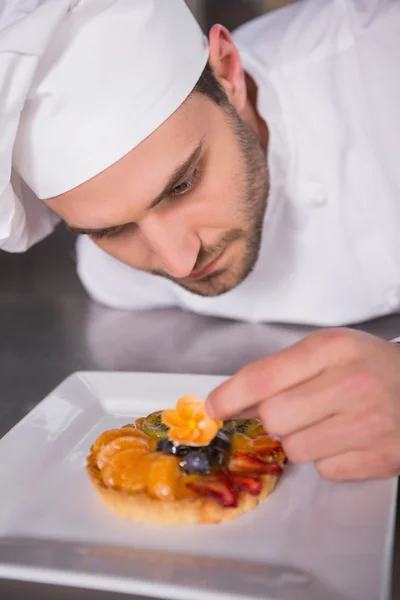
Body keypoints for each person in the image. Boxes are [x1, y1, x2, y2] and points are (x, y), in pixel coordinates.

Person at [1, 0, 400, 481]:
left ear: (229, 72)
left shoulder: (382, 65)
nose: (178, 261)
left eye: (183, 184)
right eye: (113, 230)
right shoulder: (111, 276)